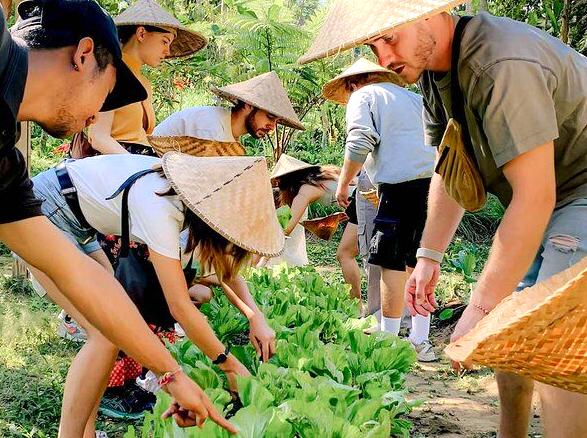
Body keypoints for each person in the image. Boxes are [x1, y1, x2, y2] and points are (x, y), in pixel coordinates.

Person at [300, 0, 587, 436]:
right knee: (511, 321)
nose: (386, 60)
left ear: (429, 13)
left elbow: (536, 195)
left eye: (390, 39)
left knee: (553, 333)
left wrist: (478, 307)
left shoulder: (501, 61)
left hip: (574, 193)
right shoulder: (436, 76)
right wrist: (429, 256)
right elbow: (450, 168)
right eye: (374, 48)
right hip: (550, 196)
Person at [2, 0, 234, 435]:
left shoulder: (5, 157)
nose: (94, 117)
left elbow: (75, 271)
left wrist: (171, 374)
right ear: (83, 54)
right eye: (105, 95)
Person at [31, 152, 283, 437]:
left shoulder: (186, 203)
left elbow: (225, 273)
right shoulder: (162, 209)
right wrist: (228, 365)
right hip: (48, 210)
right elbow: (180, 307)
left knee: (111, 329)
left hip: (78, 220)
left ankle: (84, 431)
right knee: (102, 333)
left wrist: (254, 316)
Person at [322, 57, 436, 361]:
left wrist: (344, 184)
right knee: (420, 259)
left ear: (353, 84)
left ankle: (388, 340)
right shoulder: (413, 98)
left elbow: (360, 141)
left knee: (390, 260)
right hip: (435, 185)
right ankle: (420, 340)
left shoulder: (362, 95)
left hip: (399, 187)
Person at [89, 0, 206, 156]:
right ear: (141, 33)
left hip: (141, 158)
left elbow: (142, 137)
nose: (168, 51)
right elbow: (98, 137)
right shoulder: (109, 72)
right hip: (113, 163)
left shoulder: (144, 83)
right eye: (165, 41)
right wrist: (136, 165)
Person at [153, 71, 305, 141]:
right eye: (270, 117)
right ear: (248, 105)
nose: (272, 126)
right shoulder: (211, 125)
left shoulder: (230, 137)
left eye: (276, 121)